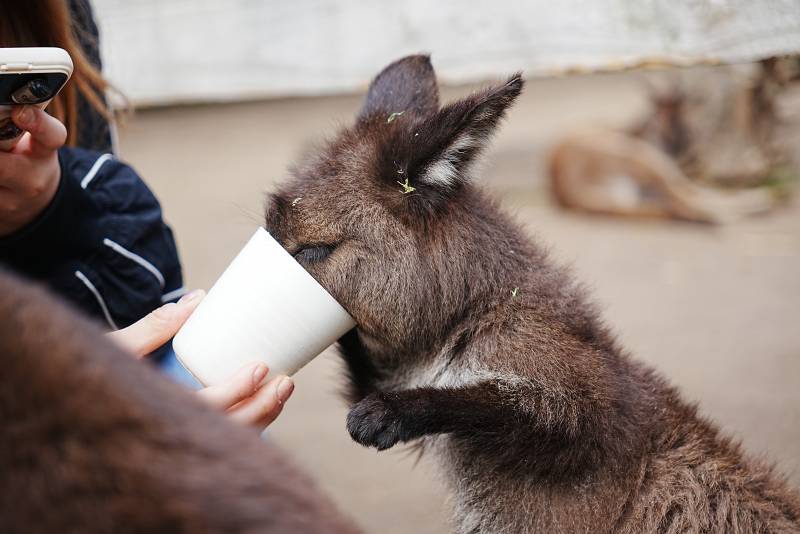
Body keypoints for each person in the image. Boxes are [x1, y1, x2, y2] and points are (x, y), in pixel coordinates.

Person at [0, 1, 293, 429]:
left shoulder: (56, 19)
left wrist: (44, 213)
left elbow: (142, 307)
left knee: (217, 404)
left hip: (100, 361)